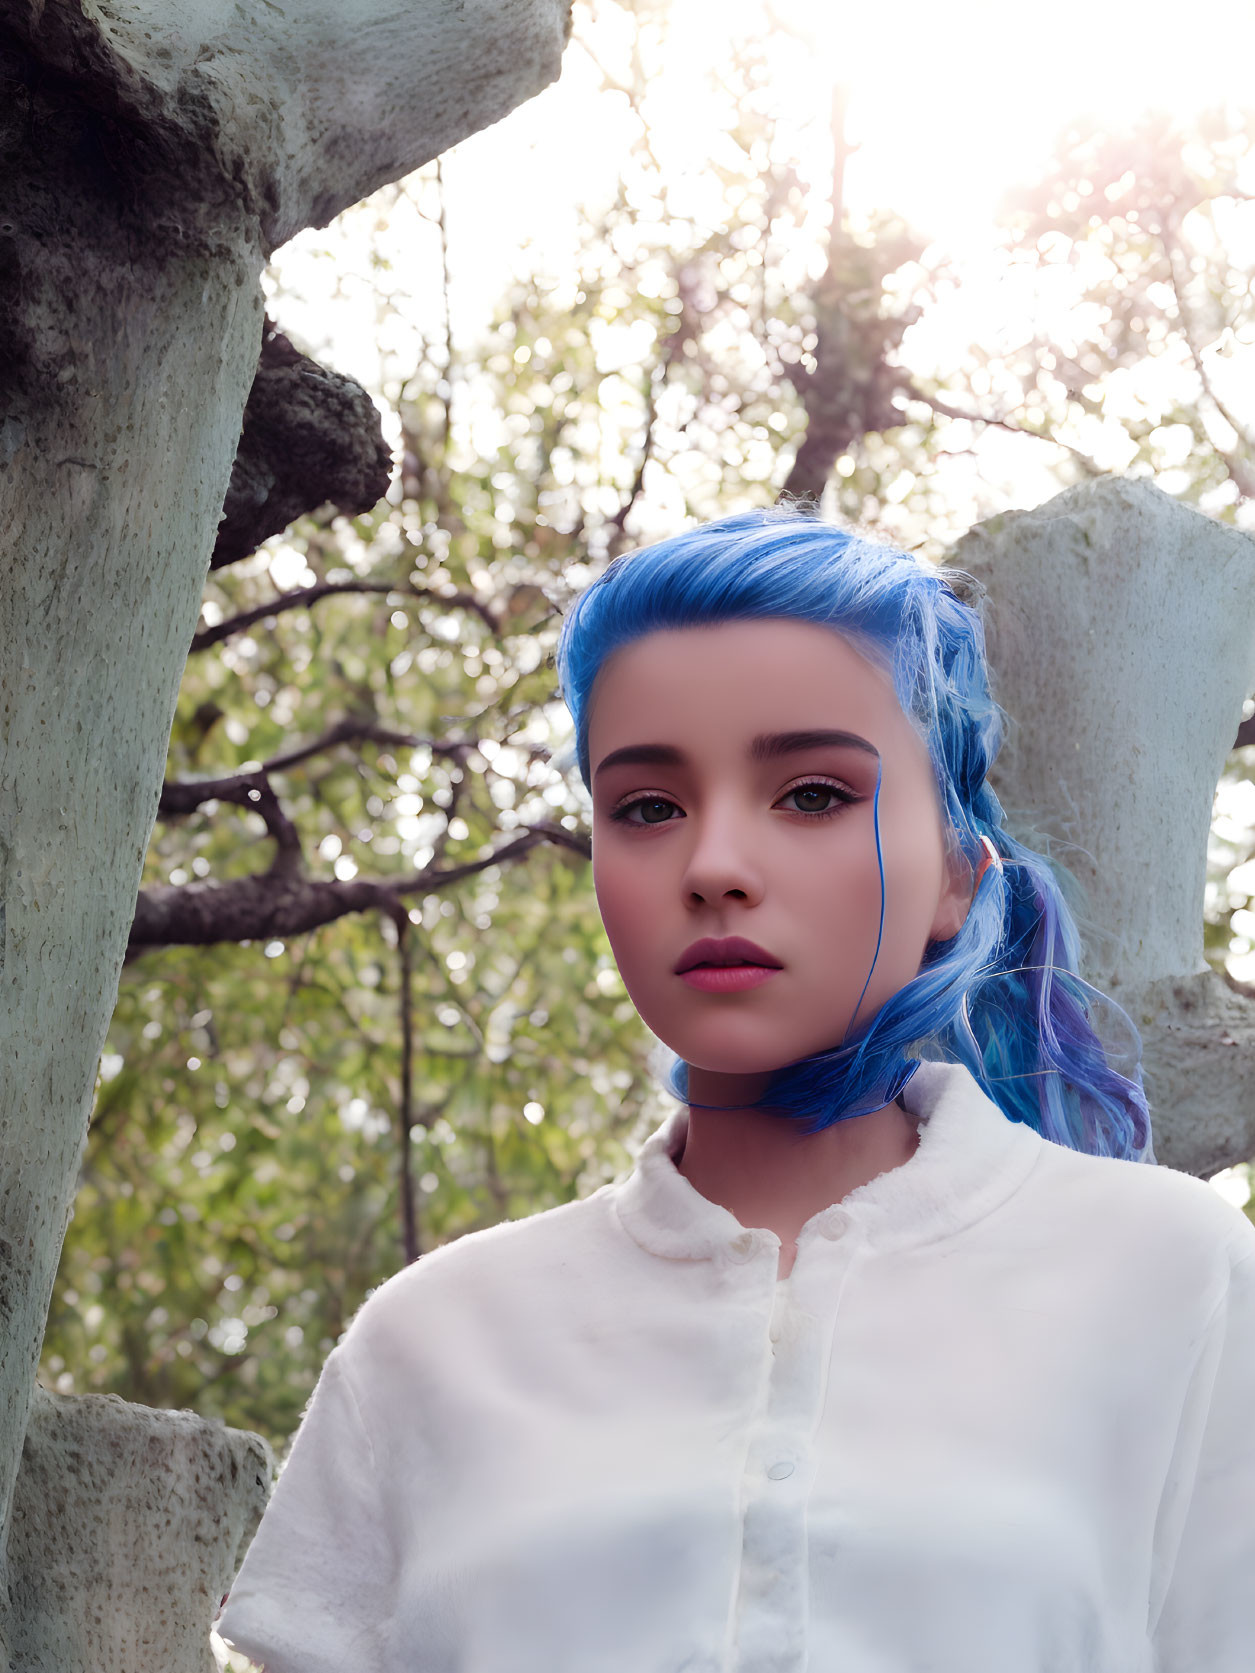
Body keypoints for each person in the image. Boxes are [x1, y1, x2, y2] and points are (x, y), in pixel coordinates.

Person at [214, 506, 1255, 1673]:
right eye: (647, 807)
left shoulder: (1172, 1276)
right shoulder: (429, 1341)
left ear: (956, 879)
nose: (712, 865)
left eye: (812, 793)